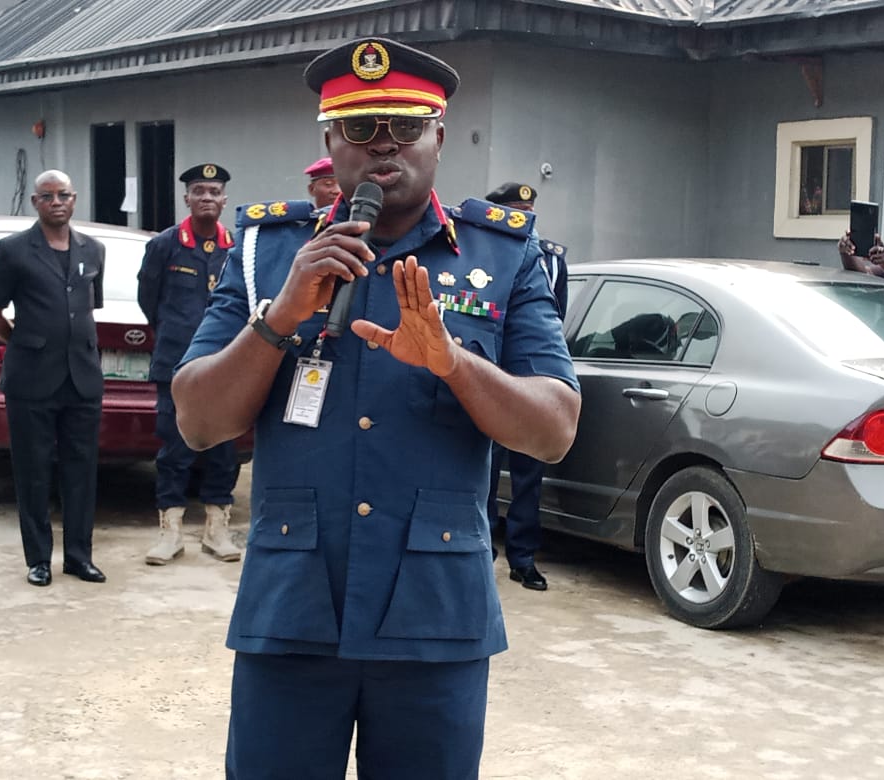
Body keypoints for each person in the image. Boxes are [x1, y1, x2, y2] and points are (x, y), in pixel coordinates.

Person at [171, 37, 581, 779]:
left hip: (433, 617)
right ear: (330, 141)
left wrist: (454, 365)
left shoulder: (505, 255)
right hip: (292, 613)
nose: (383, 144)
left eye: (405, 125)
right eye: (360, 129)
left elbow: (553, 430)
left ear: (439, 137)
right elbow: (199, 420)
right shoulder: (268, 253)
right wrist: (280, 318)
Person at [0, 170, 107, 587]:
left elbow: (90, 307)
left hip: (82, 379)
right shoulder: (13, 251)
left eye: (64, 195)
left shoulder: (94, 249)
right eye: (48, 195)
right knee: (33, 472)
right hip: (31, 380)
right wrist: (23, 342)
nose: (57, 202)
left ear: (75, 199)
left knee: (82, 471)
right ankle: (38, 559)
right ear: (35, 202)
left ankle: (78, 557)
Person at [137, 163, 241, 565]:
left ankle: (217, 531)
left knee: (223, 449)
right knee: (174, 448)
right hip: (177, 365)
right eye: (199, 191)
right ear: (187, 198)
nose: (207, 199)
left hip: (226, 366)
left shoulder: (236, 246)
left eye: (214, 192)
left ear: (224, 199)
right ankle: (171, 533)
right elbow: (150, 302)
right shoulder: (165, 245)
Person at [483, 181, 569, 590]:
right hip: (486, 379)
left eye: (529, 212)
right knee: (483, 470)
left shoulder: (551, 260)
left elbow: (554, 323)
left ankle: (523, 558)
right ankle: (483, 549)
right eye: (517, 212)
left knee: (528, 476)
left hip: (530, 383)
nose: (527, 220)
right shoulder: (480, 252)